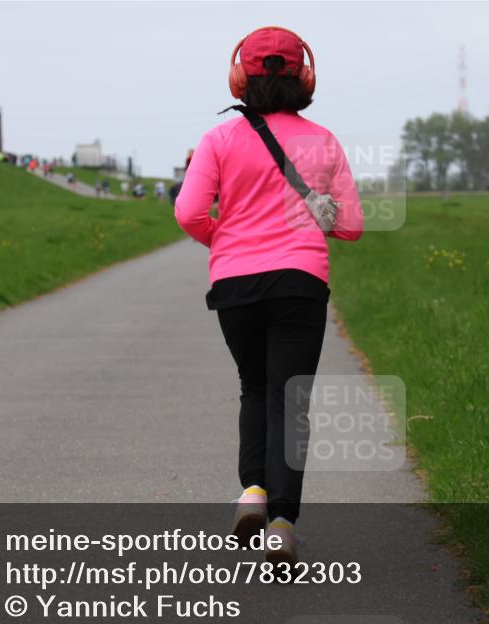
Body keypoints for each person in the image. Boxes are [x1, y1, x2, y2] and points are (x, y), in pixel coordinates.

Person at [174, 26, 362, 567]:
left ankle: (252, 492)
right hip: (301, 282)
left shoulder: (218, 140)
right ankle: (281, 523)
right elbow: (351, 225)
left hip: (235, 283)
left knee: (254, 386)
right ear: (305, 77)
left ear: (239, 77)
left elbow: (189, 212)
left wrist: (225, 240)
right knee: (291, 400)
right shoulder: (324, 140)